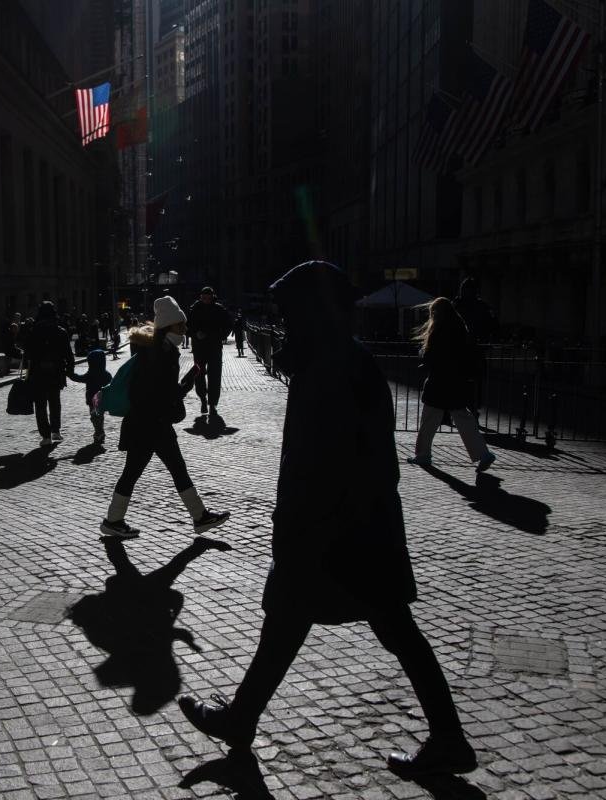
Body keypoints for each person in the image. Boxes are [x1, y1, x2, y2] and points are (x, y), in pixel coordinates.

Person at [177, 261, 477, 778]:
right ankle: (242, 719)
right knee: (298, 624)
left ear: (314, 314)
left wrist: (299, 527)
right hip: (354, 527)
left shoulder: (332, 368)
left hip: (339, 530)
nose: (285, 325)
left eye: (292, 314)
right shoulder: (336, 359)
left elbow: (321, 460)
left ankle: (448, 738)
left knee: (363, 626)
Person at [100, 296, 230, 539]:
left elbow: (160, 392)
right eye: (181, 325)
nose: (185, 329)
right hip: (150, 424)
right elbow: (158, 393)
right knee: (143, 472)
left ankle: (198, 516)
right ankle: (114, 520)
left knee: (161, 470)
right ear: (170, 326)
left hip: (149, 423)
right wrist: (186, 385)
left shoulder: (160, 349)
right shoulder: (160, 354)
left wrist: (184, 384)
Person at [406, 298, 495, 472]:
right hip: (457, 381)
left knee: (429, 420)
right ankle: (483, 453)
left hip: (438, 381)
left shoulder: (438, 330)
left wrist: (423, 354)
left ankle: (423, 454)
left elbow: (430, 356)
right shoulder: (460, 328)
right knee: (463, 418)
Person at [23, 301, 75, 446]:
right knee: (55, 402)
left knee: (40, 405)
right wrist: (70, 370)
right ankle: (56, 431)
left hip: (37, 373)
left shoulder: (33, 332)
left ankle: (45, 436)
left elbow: (27, 354)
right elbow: (68, 354)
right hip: (56, 372)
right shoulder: (60, 331)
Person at [187, 286, 233, 422]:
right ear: (201, 297)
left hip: (214, 347)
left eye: (208, 297)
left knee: (215, 375)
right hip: (199, 347)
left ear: (213, 297)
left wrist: (220, 336)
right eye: (204, 297)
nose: (206, 300)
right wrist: (195, 334)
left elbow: (228, 325)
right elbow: (187, 326)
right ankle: (203, 399)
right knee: (199, 374)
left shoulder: (219, 309)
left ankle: (213, 404)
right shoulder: (194, 309)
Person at [453, 277, 496, 415]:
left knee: (463, 381)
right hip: (472, 350)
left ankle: (465, 408)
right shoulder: (481, 306)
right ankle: (471, 408)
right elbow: (492, 326)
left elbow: (491, 326)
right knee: (473, 382)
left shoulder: (457, 305)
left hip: (464, 350)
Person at [69, 348, 113, 445]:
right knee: (99, 416)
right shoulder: (106, 374)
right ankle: (99, 431)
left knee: (95, 417)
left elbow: (79, 378)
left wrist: (70, 374)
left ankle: (99, 432)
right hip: (101, 399)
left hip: (93, 399)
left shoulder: (91, 373)